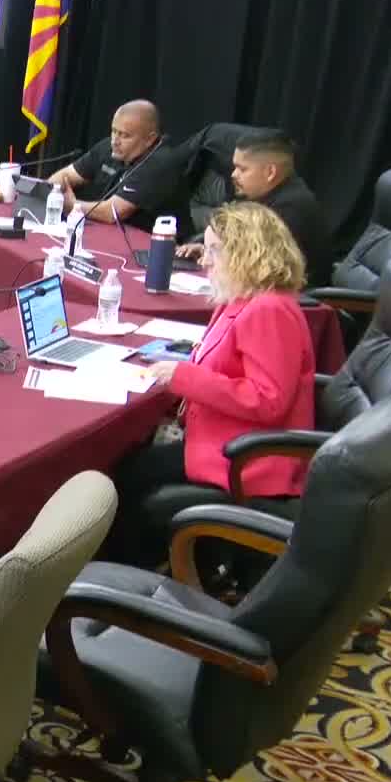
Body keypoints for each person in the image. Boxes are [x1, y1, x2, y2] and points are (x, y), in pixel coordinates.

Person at [103, 201, 316, 562]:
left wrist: (183, 377)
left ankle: (127, 573)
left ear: (246, 252)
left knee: (129, 477)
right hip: (220, 436)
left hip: (248, 458)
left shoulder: (269, 310)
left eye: (214, 250)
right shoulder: (242, 299)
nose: (204, 260)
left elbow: (267, 400)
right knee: (130, 463)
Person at [179, 128, 331, 281]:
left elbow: (263, 269)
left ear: (270, 172)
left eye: (242, 169)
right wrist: (211, 251)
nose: (233, 174)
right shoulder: (260, 195)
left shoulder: (291, 209)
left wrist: (218, 258)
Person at [49, 99, 187, 227]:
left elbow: (112, 213)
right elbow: (66, 175)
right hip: (110, 231)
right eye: (114, 131)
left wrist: (71, 205)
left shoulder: (160, 162)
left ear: (150, 139)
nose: (115, 141)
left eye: (125, 135)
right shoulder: (109, 147)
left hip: (152, 238)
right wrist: (52, 191)